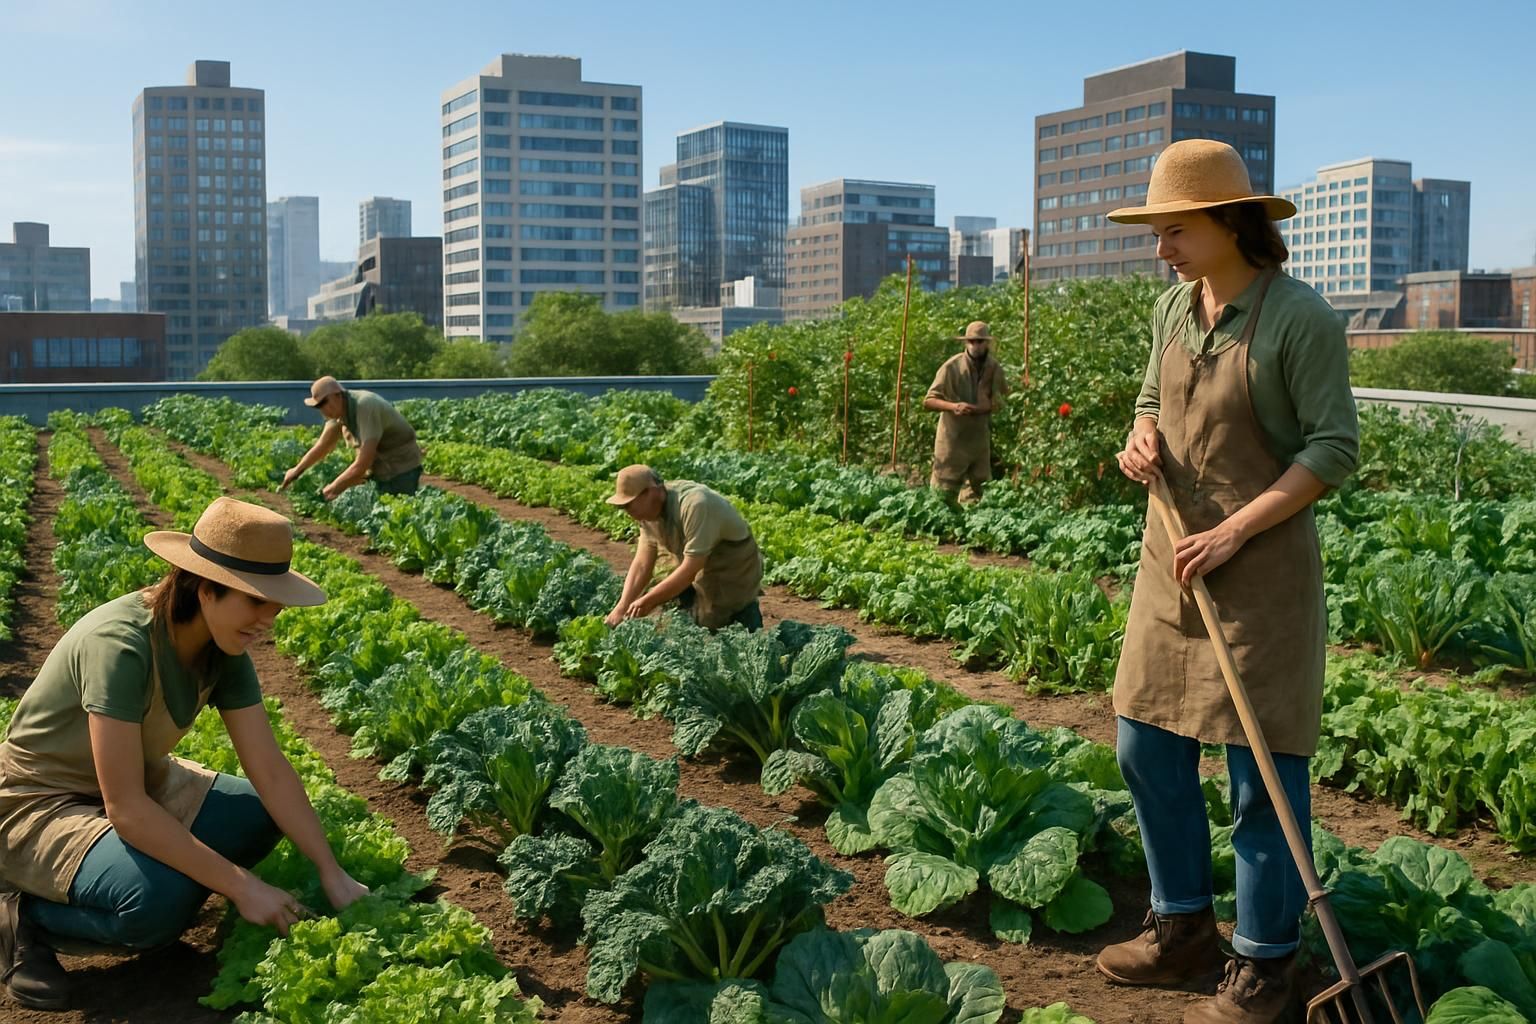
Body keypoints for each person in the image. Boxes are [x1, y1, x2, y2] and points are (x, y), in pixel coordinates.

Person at [1094, 140, 1359, 1024]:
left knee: (1262, 780)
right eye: (1157, 231)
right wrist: (1140, 438)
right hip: (1169, 563)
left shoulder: (1297, 319)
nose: (1160, 247)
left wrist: (1236, 527)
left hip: (1259, 575)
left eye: (1174, 230)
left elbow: (1332, 448)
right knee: (1145, 744)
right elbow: (1148, 399)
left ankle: (1264, 967)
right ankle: (1181, 930)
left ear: (1229, 223)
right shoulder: (1176, 308)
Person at [0, 497, 370, 1011]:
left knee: (259, 819)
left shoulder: (225, 643)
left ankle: (140, 873)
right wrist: (240, 885)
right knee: (156, 905)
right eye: (256, 601)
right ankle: (23, 915)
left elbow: (269, 767)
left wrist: (332, 871)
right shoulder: (121, 645)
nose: (269, 618)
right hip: (39, 799)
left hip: (134, 782)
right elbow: (126, 809)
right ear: (204, 588)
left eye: (275, 603)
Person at [603, 465, 764, 631]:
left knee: (712, 621)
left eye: (629, 504)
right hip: (698, 558)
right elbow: (643, 563)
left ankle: (746, 617)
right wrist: (621, 607)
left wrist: (648, 601)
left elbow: (690, 569)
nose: (627, 511)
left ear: (651, 492)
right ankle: (695, 608)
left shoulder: (696, 505)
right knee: (667, 592)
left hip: (731, 562)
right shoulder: (648, 511)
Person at [278, 376, 424, 499]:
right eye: (318, 406)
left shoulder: (365, 406)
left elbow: (363, 462)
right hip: (380, 469)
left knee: (395, 519)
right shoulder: (339, 413)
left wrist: (332, 489)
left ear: (338, 395)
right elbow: (323, 445)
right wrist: (296, 471)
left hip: (402, 468)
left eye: (324, 403)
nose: (322, 409)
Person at [923, 321, 1008, 502]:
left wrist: (989, 405)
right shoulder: (951, 367)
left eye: (980, 341)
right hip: (952, 439)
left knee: (981, 491)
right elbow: (929, 400)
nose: (975, 345)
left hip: (978, 439)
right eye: (971, 341)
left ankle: (971, 526)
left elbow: (1002, 398)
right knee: (943, 493)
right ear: (966, 343)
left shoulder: (993, 368)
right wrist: (954, 407)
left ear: (987, 343)